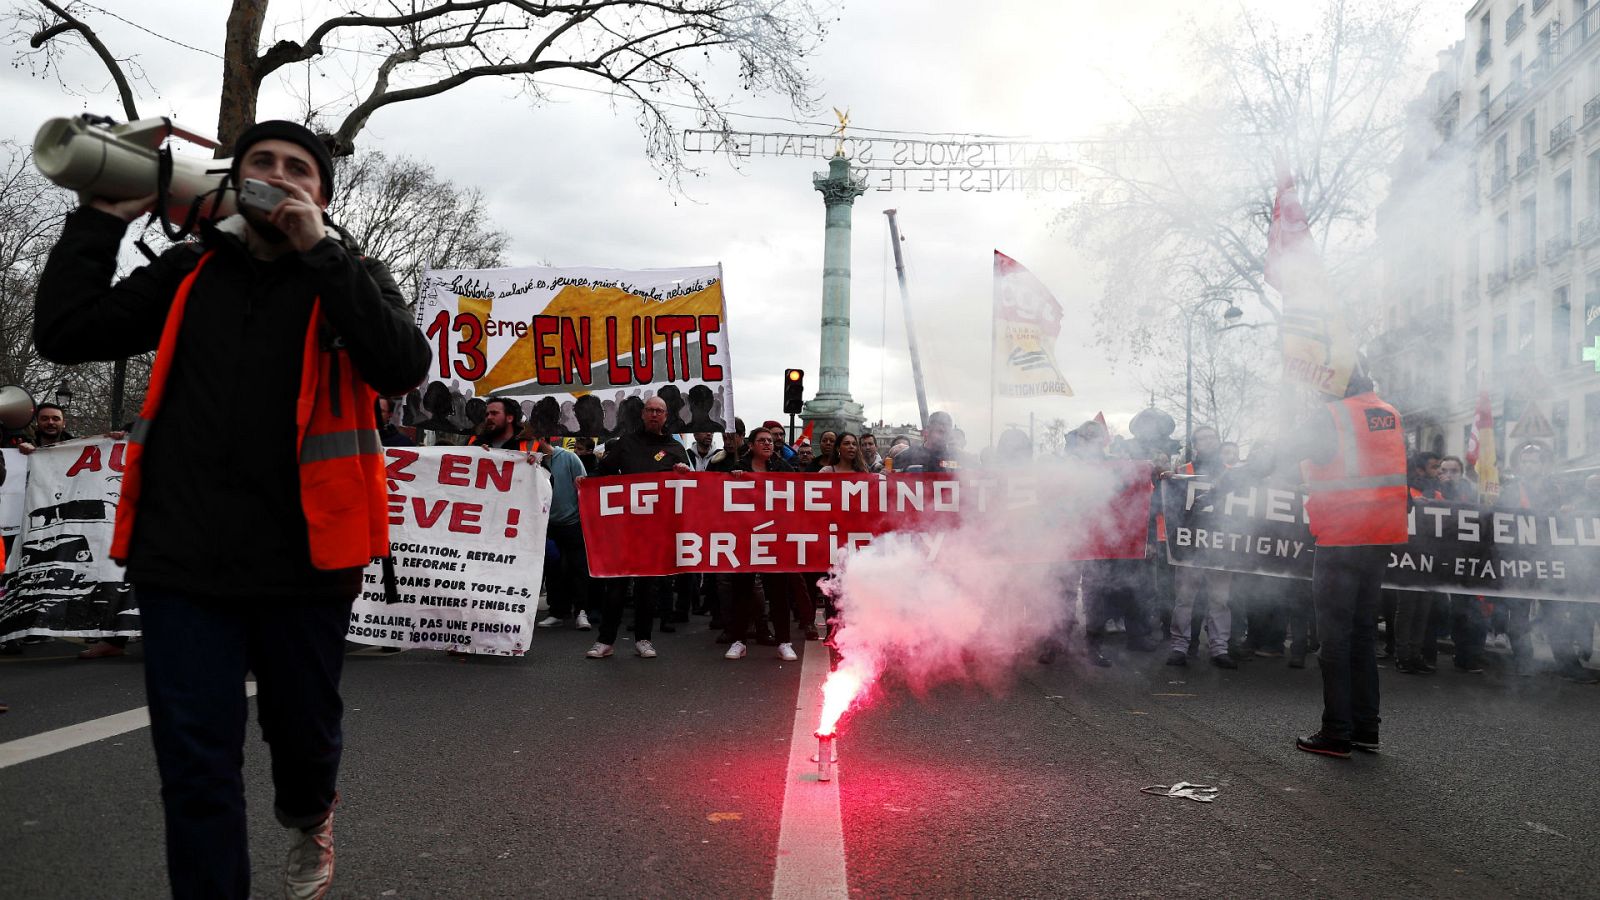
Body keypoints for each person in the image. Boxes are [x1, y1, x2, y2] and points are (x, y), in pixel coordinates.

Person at [35, 119, 430, 898]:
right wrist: (101, 218)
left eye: (299, 169)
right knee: (195, 765)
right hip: (181, 556)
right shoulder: (189, 269)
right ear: (233, 182)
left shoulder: (353, 272)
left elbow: (400, 365)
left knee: (302, 740)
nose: (280, 177)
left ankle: (308, 811)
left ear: (321, 194)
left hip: (307, 558)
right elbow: (63, 333)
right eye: (262, 164)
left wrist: (324, 254)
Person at [1288, 367, 1408, 759]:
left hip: (1342, 537)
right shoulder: (1388, 413)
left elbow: (1283, 452)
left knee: (1334, 639)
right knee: (1361, 634)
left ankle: (1336, 731)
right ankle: (1365, 728)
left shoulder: (1334, 414)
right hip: (1380, 537)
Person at [586, 396, 690, 660]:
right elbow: (604, 470)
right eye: (650, 410)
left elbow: (689, 488)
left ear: (666, 416)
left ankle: (644, 639)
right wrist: (586, 483)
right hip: (626, 529)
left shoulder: (675, 449)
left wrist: (682, 473)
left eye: (659, 411)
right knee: (617, 588)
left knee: (648, 588)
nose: (654, 414)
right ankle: (605, 640)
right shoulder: (626, 443)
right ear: (643, 414)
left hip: (655, 532)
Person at [719, 428, 800, 662]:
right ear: (751, 445)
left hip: (774, 539)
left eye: (770, 441)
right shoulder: (739, 468)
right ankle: (739, 641)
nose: (767, 444)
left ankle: (784, 641)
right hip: (745, 538)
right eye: (761, 440)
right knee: (742, 591)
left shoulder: (784, 468)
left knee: (778, 592)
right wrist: (731, 480)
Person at [1164, 425, 1237, 669]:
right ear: (1195, 445)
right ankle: (1179, 646)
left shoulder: (1232, 472)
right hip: (1190, 544)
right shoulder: (1183, 471)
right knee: (1185, 599)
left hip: (1220, 544)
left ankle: (1219, 648)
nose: (1208, 441)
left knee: (1220, 599)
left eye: (1212, 437)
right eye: (1202, 438)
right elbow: (1171, 506)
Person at [1393, 451, 1444, 675]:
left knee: (1423, 609)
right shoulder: (1406, 491)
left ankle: (1415, 653)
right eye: (1434, 467)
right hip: (1408, 559)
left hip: (1429, 560)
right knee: (1406, 609)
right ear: (1420, 470)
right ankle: (1402, 655)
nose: (1439, 472)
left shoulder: (1439, 493)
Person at [534, 436, 593, 632]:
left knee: (578, 568)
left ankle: (582, 611)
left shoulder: (569, 458)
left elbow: (585, 488)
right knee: (553, 569)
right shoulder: (532, 460)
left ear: (540, 439)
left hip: (573, 523)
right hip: (546, 525)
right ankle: (557, 611)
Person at [894, 411, 962, 472]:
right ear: (927, 431)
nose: (945, 436)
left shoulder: (957, 458)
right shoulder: (907, 456)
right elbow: (890, 476)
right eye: (940, 432)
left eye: (947, 433)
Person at [468, 396, 533, 451]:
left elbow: (541, 462)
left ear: (509, 418)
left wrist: (535, 462)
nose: (489, 417)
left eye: (494, 413)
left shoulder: (529, 445)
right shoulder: (476, 441)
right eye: (487, 414)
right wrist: (476, 452)